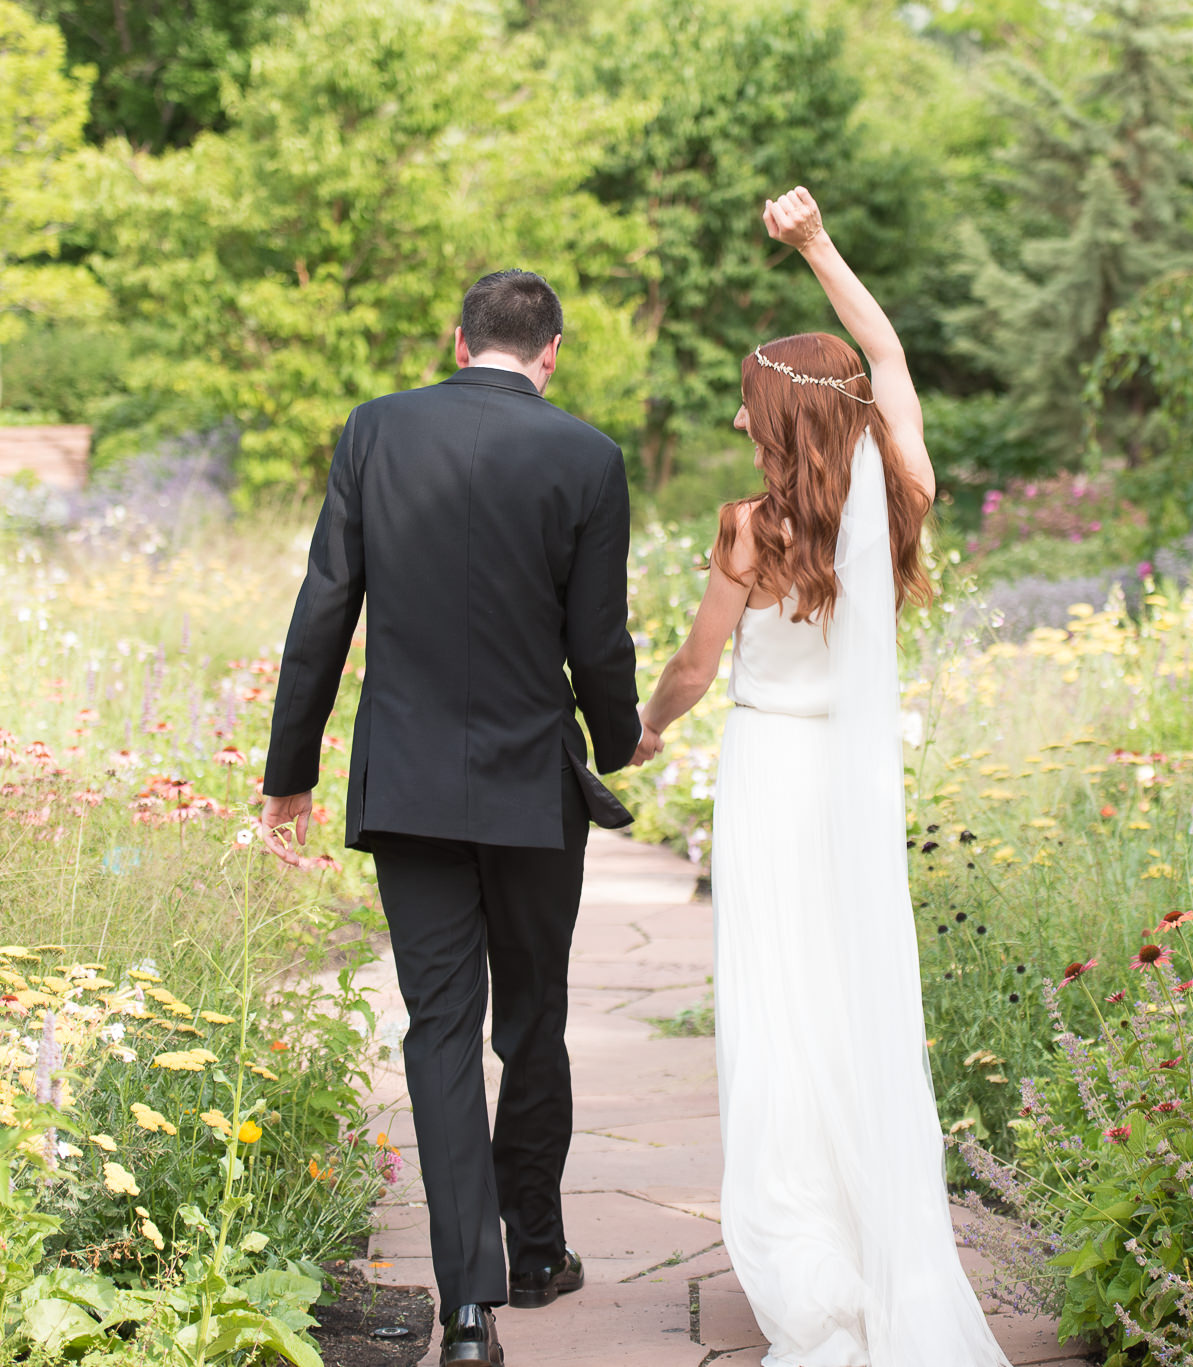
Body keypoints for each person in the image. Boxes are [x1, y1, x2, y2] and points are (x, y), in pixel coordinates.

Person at [638, 187, 1010, 1367]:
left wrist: (642, 725)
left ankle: (807, 1263)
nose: (742, 427)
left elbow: (698, 663)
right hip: (852, 789)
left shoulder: (750, 525)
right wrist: (816, 247)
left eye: (751, 411)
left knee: (777, 1008)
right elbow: (887, 350)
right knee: (851, 1003)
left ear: (774, 416)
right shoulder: (901, 497)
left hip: (768, 776)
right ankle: (870, 1246)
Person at [258, 269, 648, 1366]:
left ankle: (468, 1306)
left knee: (437, 1029)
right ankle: (535, 1250)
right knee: (530, 1018)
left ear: (457, 336)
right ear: (551, 352)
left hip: (411, 787)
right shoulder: (587, 457)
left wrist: (290, 767)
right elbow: (598, 642)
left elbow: (324, 602)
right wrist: (617, 741)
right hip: (531, 787)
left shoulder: (375, 432)